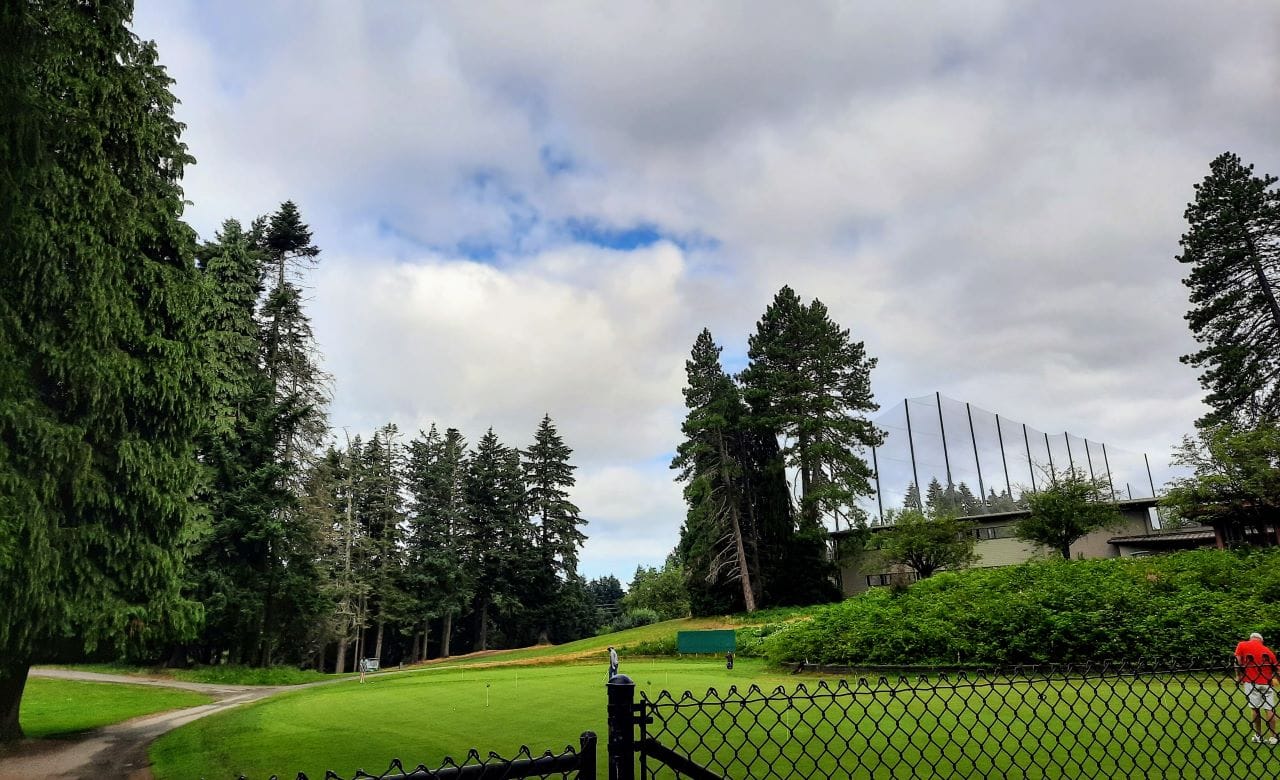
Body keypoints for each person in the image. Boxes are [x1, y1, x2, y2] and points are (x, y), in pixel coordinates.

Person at [1234, 632, 1278, 745]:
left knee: (1255, 708)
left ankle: (1258, 735)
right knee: (1269, 709)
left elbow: (1237, 661)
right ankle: (1273, 737)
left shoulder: (1242, 645)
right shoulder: (1268, 651)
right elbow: (1277, 669)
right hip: (1267, 683)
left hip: (1251, 681)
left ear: (1251, 638)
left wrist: (1238, 676)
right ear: (1261, 641)